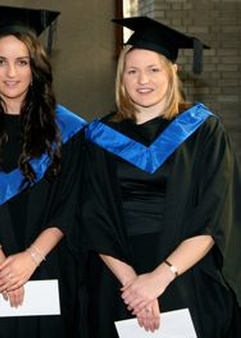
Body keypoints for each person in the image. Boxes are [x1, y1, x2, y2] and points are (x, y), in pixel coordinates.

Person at [82, 16, 241, 337]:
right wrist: (134, 286)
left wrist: (159, 278)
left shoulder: (203, 130)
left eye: (153, 69)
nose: (143, 79)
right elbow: (92, 215)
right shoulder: (99, 136)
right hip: (120, 280)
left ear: (172, 72)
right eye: (132, 70)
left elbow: (214, 212)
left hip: (185, 272)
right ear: (121, 77)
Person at [0, 5, 87, 337]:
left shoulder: (67, 130)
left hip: (46, 267)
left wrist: (31, 257)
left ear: (35, 67)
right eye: (1, 62)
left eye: (21, 62)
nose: (11, 73)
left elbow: (70, 203)